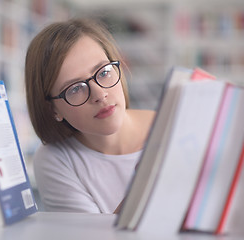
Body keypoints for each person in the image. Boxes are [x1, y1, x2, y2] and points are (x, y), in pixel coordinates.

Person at [25, 18, 155, 214]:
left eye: (103, 72)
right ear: (53, 109)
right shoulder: (56, 159)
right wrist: (144, 190)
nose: (99, 95)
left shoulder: (174, 124)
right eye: (75, 88)